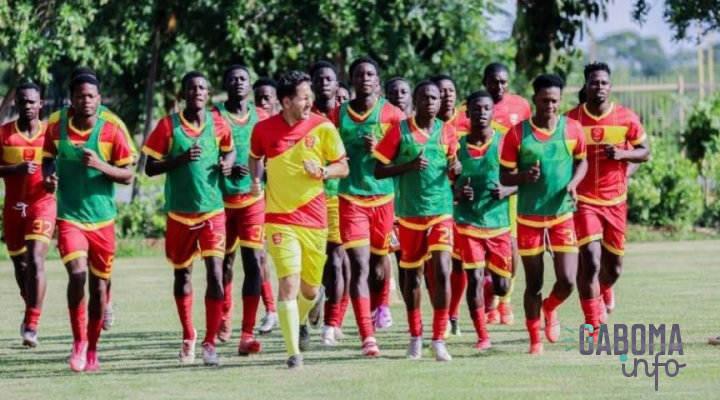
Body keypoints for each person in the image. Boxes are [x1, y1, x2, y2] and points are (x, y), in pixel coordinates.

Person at [249, 70, 348, 369]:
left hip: (315, 220)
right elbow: (255, 157)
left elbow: (343, 166)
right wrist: (256, 179)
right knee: (288, 284)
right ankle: (294, 354)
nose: (310, 102)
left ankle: (306, 314)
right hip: (279, 218)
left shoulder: (323, 127)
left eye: (310, 97)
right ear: (286, 101)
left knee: (309, 290)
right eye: (304, 97)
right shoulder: (263, 129)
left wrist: (323, 171)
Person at [143, 71, 235, 366]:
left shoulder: (219, 123)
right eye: (192, 88)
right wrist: (181, 159)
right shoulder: (168, 126)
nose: (197, 92)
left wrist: (227, 163)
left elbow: (230, 150)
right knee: (182, 275)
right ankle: (188, 335)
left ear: (208, 94)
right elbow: (150, 167)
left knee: (215, 273)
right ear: (183, 94)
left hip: (212, 211)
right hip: (179, 214)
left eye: (202, 88)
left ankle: (210, 343)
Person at [42, 73, 134, 371]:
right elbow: (47, 158)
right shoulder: (55, 126)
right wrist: (48, 177)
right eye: (80, 95)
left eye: (91, 96)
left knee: (99, 289)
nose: (86, 100)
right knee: (77, 275)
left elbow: (128, 175)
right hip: (70, 217)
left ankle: (93, 349)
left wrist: (100, 165)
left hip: (103, 221)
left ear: (99, 99)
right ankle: (79, 342)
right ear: (72, 98)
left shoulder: (112, 129)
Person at [499, 73, 587, 355]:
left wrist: (574, 183)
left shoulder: (572, 129)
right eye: (544, 100)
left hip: (562, 215)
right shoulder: (517, 134)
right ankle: (535, 340)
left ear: (560, 100)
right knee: (534, 283)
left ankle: (550, 307)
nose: (550, 105)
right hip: (529, 218)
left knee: (568, 281)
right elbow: (504, 175)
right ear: (535, 99)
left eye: (554, 100)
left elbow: (582, 161)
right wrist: (524, 176)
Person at [374, 80, 460, 361]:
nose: (430, 102)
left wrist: (456, 169)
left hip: (441, 210)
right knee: (413, 277)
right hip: (410, 213)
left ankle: (438, 339)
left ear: (440, 102)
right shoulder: (400, 131)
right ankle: (415, 336)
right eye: (424, 97)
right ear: (416, 101)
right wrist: (408, 166)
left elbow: (453, 169)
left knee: (443, 269)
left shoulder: (448, 132)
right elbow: (379, 169)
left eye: (434, 98)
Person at [327, 56, 404, 355]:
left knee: (378, 266)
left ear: (377, 80)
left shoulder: (393, 114)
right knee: (358, 265)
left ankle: (377, 308)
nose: (365, 79)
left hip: (384, 198)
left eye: (370, 74)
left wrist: (382, 150)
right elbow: (324, 147)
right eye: (359, 74)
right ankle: (367, 336)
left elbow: (406, 155)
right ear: (352, 79)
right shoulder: (337, 115)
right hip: (350, 198)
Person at [565, 62, 650, 334]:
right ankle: (592, 325)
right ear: (586, 86)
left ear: (610, 87)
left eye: (603, 83)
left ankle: (603, 290)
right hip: (584, 201)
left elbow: (645, 152)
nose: (599, 87)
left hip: (616, 202)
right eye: (594, 82)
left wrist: (623, 156)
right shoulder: (571, 120)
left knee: (613, 269)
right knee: (590, 260)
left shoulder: (626, 117)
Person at [213, 65, 270, 355]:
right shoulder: (214, 117)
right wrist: (224, 165)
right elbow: (209, 153)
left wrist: (260, 171)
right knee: (223, 264)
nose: (238, 82)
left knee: (253, 263)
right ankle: (224, 313)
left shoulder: (262, 117)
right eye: (233, 78)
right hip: (221, 201)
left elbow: (271, 153)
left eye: (243, 79)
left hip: (252, 200)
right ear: (225, 84)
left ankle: (247, 334)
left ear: (250, 86)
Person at [454, 90, 516, 351]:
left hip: (498, 222)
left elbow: (522, 178)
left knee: (502, 286)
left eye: (486, 108)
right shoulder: (456, 146)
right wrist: (458, 192)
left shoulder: (505, 143)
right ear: (467, 112)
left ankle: (493, 290)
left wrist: (507, 190)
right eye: (476, 109)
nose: (481, 113)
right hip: (467, 222)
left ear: (493, 112)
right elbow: (444, 182)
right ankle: (482, 336)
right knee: (474, 278)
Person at [0, 82, 53, 348]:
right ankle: (29, 305)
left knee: (35, 258)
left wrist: (54, 181)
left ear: (41, 104)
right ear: (16, 103)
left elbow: (60, 167)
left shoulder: (51, 135)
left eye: (32, 101)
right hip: (13, 208)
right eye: (22, 101)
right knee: (21, 265)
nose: (27, 106)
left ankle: (32, 324)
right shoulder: (4, 134)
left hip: (42, 204)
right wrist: (14, 169)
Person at [482, 62, 532, 325]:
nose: (498, 86)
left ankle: (506, 301)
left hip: (510, 187)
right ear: (485, 83)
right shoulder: (471, 108)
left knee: (511, 247)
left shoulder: (521, 106)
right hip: (483, 191)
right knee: (485, 248)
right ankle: (490, 302)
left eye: (503, 81)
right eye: (493, 81)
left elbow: (529, 145)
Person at [309, 60, 351, 347]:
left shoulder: (346, 116)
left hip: (341, 195)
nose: (324, 83)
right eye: (319, 79)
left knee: (337, 259)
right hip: (307, 198)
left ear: (337, 85)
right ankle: (315, 297)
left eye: (329, 79)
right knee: (314, 262)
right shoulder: (303, 116)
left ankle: (331, 323)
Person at [430, 74, 470, 337]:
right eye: (441, 91)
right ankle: (440, 314)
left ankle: (452, 315)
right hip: (431, 202)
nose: (446, 95)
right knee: (434, 265)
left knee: (458, 263)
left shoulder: (468, 121)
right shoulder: (423, 124)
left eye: (450, 90)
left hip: (463, 202)